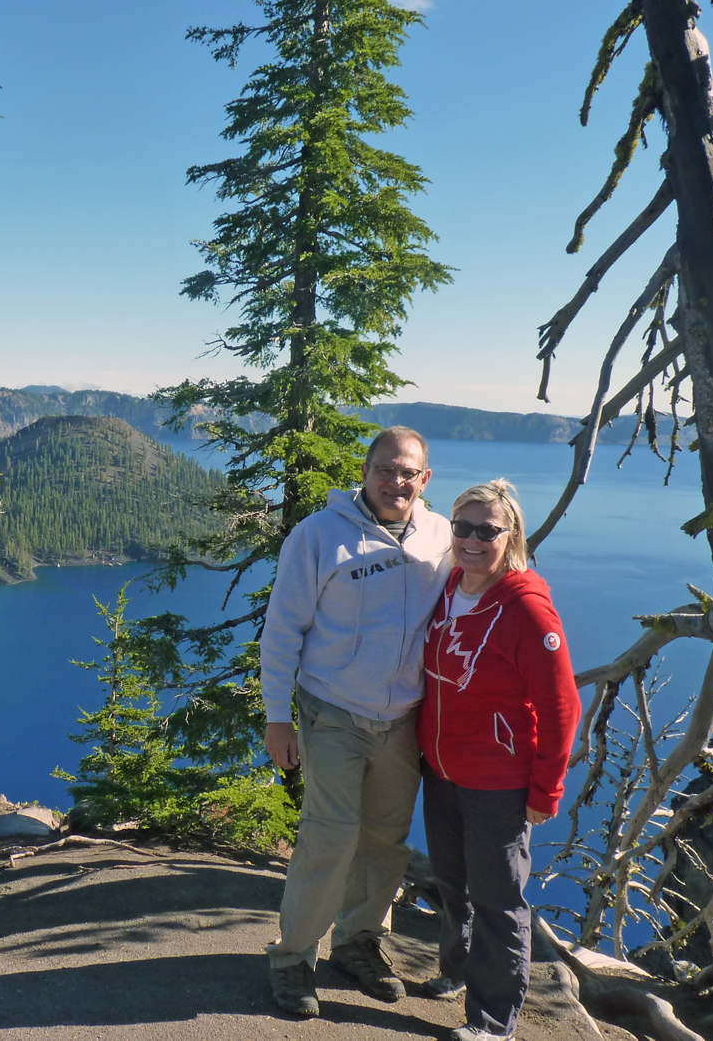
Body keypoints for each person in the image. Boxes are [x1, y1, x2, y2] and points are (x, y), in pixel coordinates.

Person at [261, 426, 454, 1017]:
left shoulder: (442, 535)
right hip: (334, 710)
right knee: (330, 835)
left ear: (425, 479)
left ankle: (357, 942)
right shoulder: (319, 535)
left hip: (403, 718)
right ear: (365, 472)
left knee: (384, 841)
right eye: (385, 469)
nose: (396, 481)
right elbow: (282, 629)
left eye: (408, 473)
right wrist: (277, 719)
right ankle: (293, 958)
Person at [418, 481, 582, 1041]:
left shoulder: (528, 612)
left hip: (498, 781)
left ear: (510, 536)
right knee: (452, 882)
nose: (471, 539)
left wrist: (546, 792)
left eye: (487, 530)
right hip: (441, 770)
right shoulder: (448, 589)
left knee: (497, 900)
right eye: (462, 526)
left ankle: (493, 1022)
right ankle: (459, 973)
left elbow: (563, 708)